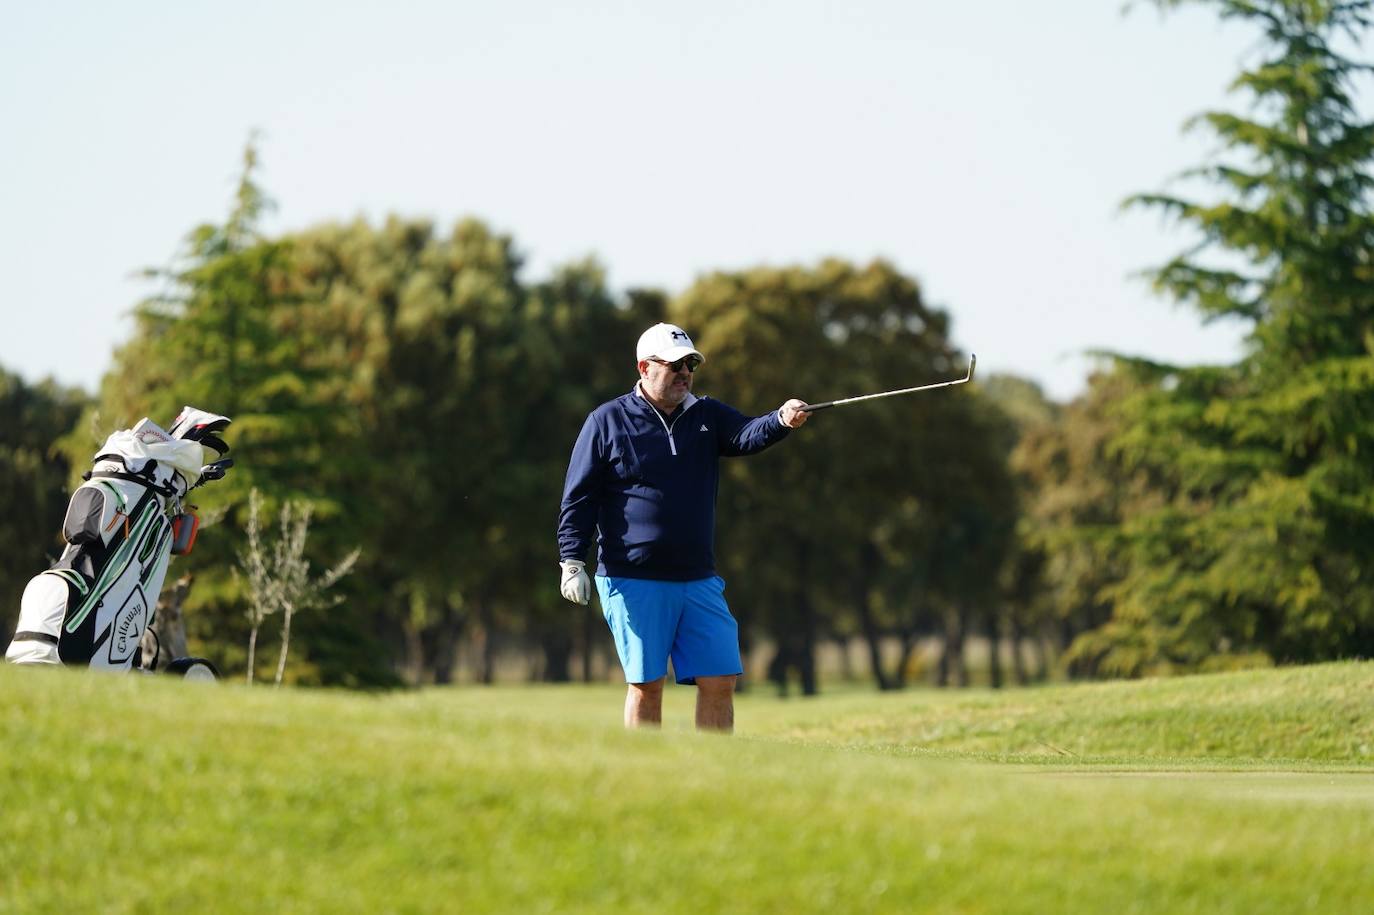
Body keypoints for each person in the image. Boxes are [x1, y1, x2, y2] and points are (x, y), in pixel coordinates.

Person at [557, 322, 809, 732]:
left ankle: (709, 773)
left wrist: (780, 419)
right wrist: (571, 560)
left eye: (690, 364)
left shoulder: (706, 415)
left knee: (720, 679)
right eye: (674, 365)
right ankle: (647, 775)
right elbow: (579, 497)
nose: (684, 372)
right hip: (631, 576)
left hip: (697, 577)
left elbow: (746, 434)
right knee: (647, 686)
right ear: (644, 367)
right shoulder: (607, 421)